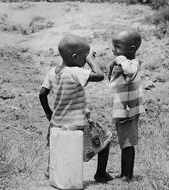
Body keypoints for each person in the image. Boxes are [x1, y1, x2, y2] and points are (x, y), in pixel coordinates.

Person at [39, 34, 113, 183]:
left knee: (57, 146)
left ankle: (50, 170)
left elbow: (42, 94)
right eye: (83, 57)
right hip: (77, 123)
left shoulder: (52, 72)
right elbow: (99, 75)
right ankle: (100, 173)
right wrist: (90, 60)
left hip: (56, 122)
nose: (85, 60)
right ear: (74, 57)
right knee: (106, 139)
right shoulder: (74, 72)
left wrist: (48, 112)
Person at [108, 30, 145, 182]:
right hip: (124, 109)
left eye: (117, 47)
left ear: (131, 49)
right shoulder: (124, 64)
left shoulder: (132, 64)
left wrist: (120, 59)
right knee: (126, 142)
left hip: (128, 111)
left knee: (127, 143)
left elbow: (129, 72)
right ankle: (125, 173)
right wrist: (114, 63)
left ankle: (126, 175)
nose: (114, 50)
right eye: (113, 46)